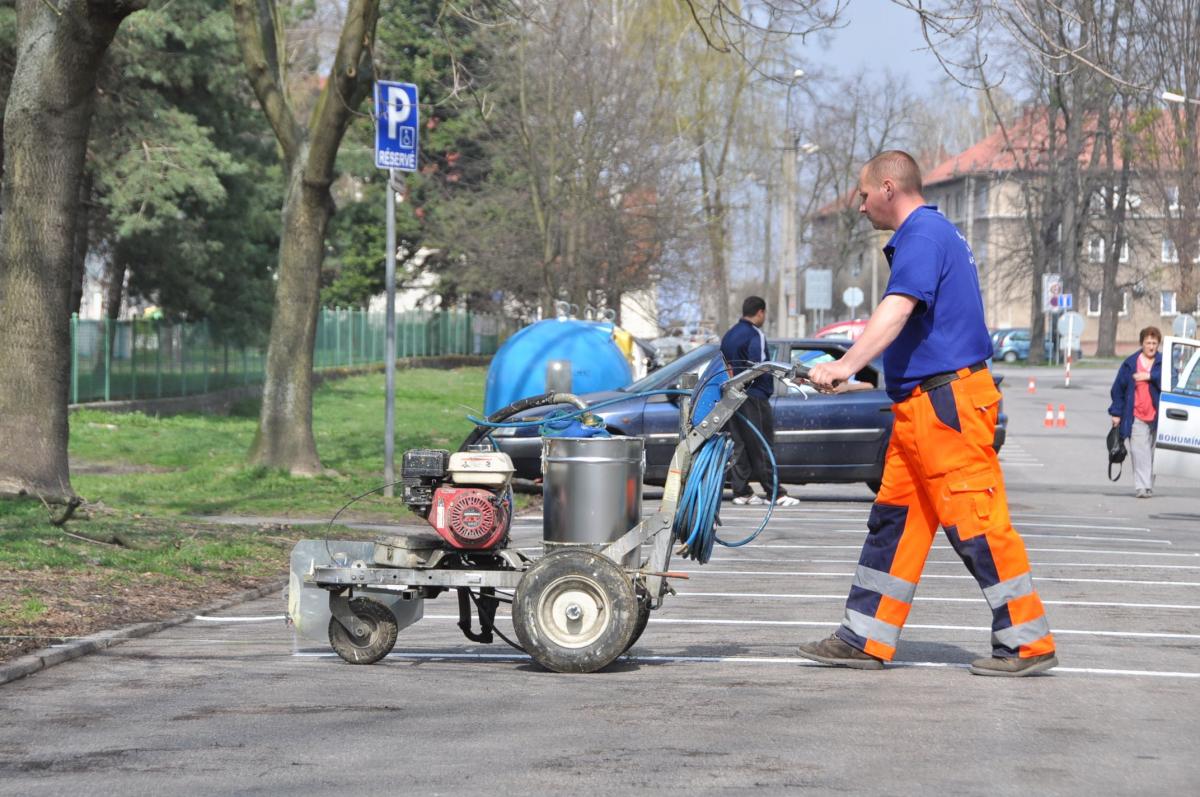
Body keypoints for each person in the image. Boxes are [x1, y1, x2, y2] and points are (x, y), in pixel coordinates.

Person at [797, 151, 1057, 676]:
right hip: (925, 407)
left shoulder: (921, 234)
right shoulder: (935, 234)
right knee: (894, 524)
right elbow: (917, 327)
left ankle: (1028, 643)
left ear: (889, 187)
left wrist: (846, 364)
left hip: (947, 407)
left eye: (864, 194)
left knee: (977, 524)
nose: (861, 205)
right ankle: (865, 637)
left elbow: (898, 308)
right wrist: (872, 369)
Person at [720, 296, 800, 507]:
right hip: (754, 395)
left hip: (731, 396)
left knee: (741, 443)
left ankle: (741, 491)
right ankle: (776, 493)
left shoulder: (729, 335)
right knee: (762, 443)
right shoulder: (755, 335)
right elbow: (760, 365)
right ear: (760, 312)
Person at [1108, 327, 1163, 498]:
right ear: (1142, 344)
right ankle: (1142, 486)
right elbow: (1118, 389)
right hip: (1136, 415)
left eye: (1154, 343)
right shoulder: (1130, 364)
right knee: (1140, 452)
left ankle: (1148, 485)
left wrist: (1149, 376)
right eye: (1148, 343)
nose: (1151, 347)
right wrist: (1116, 413)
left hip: (1159, 416)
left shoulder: (1163, 362)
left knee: (1154, 454)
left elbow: (1169, 379)